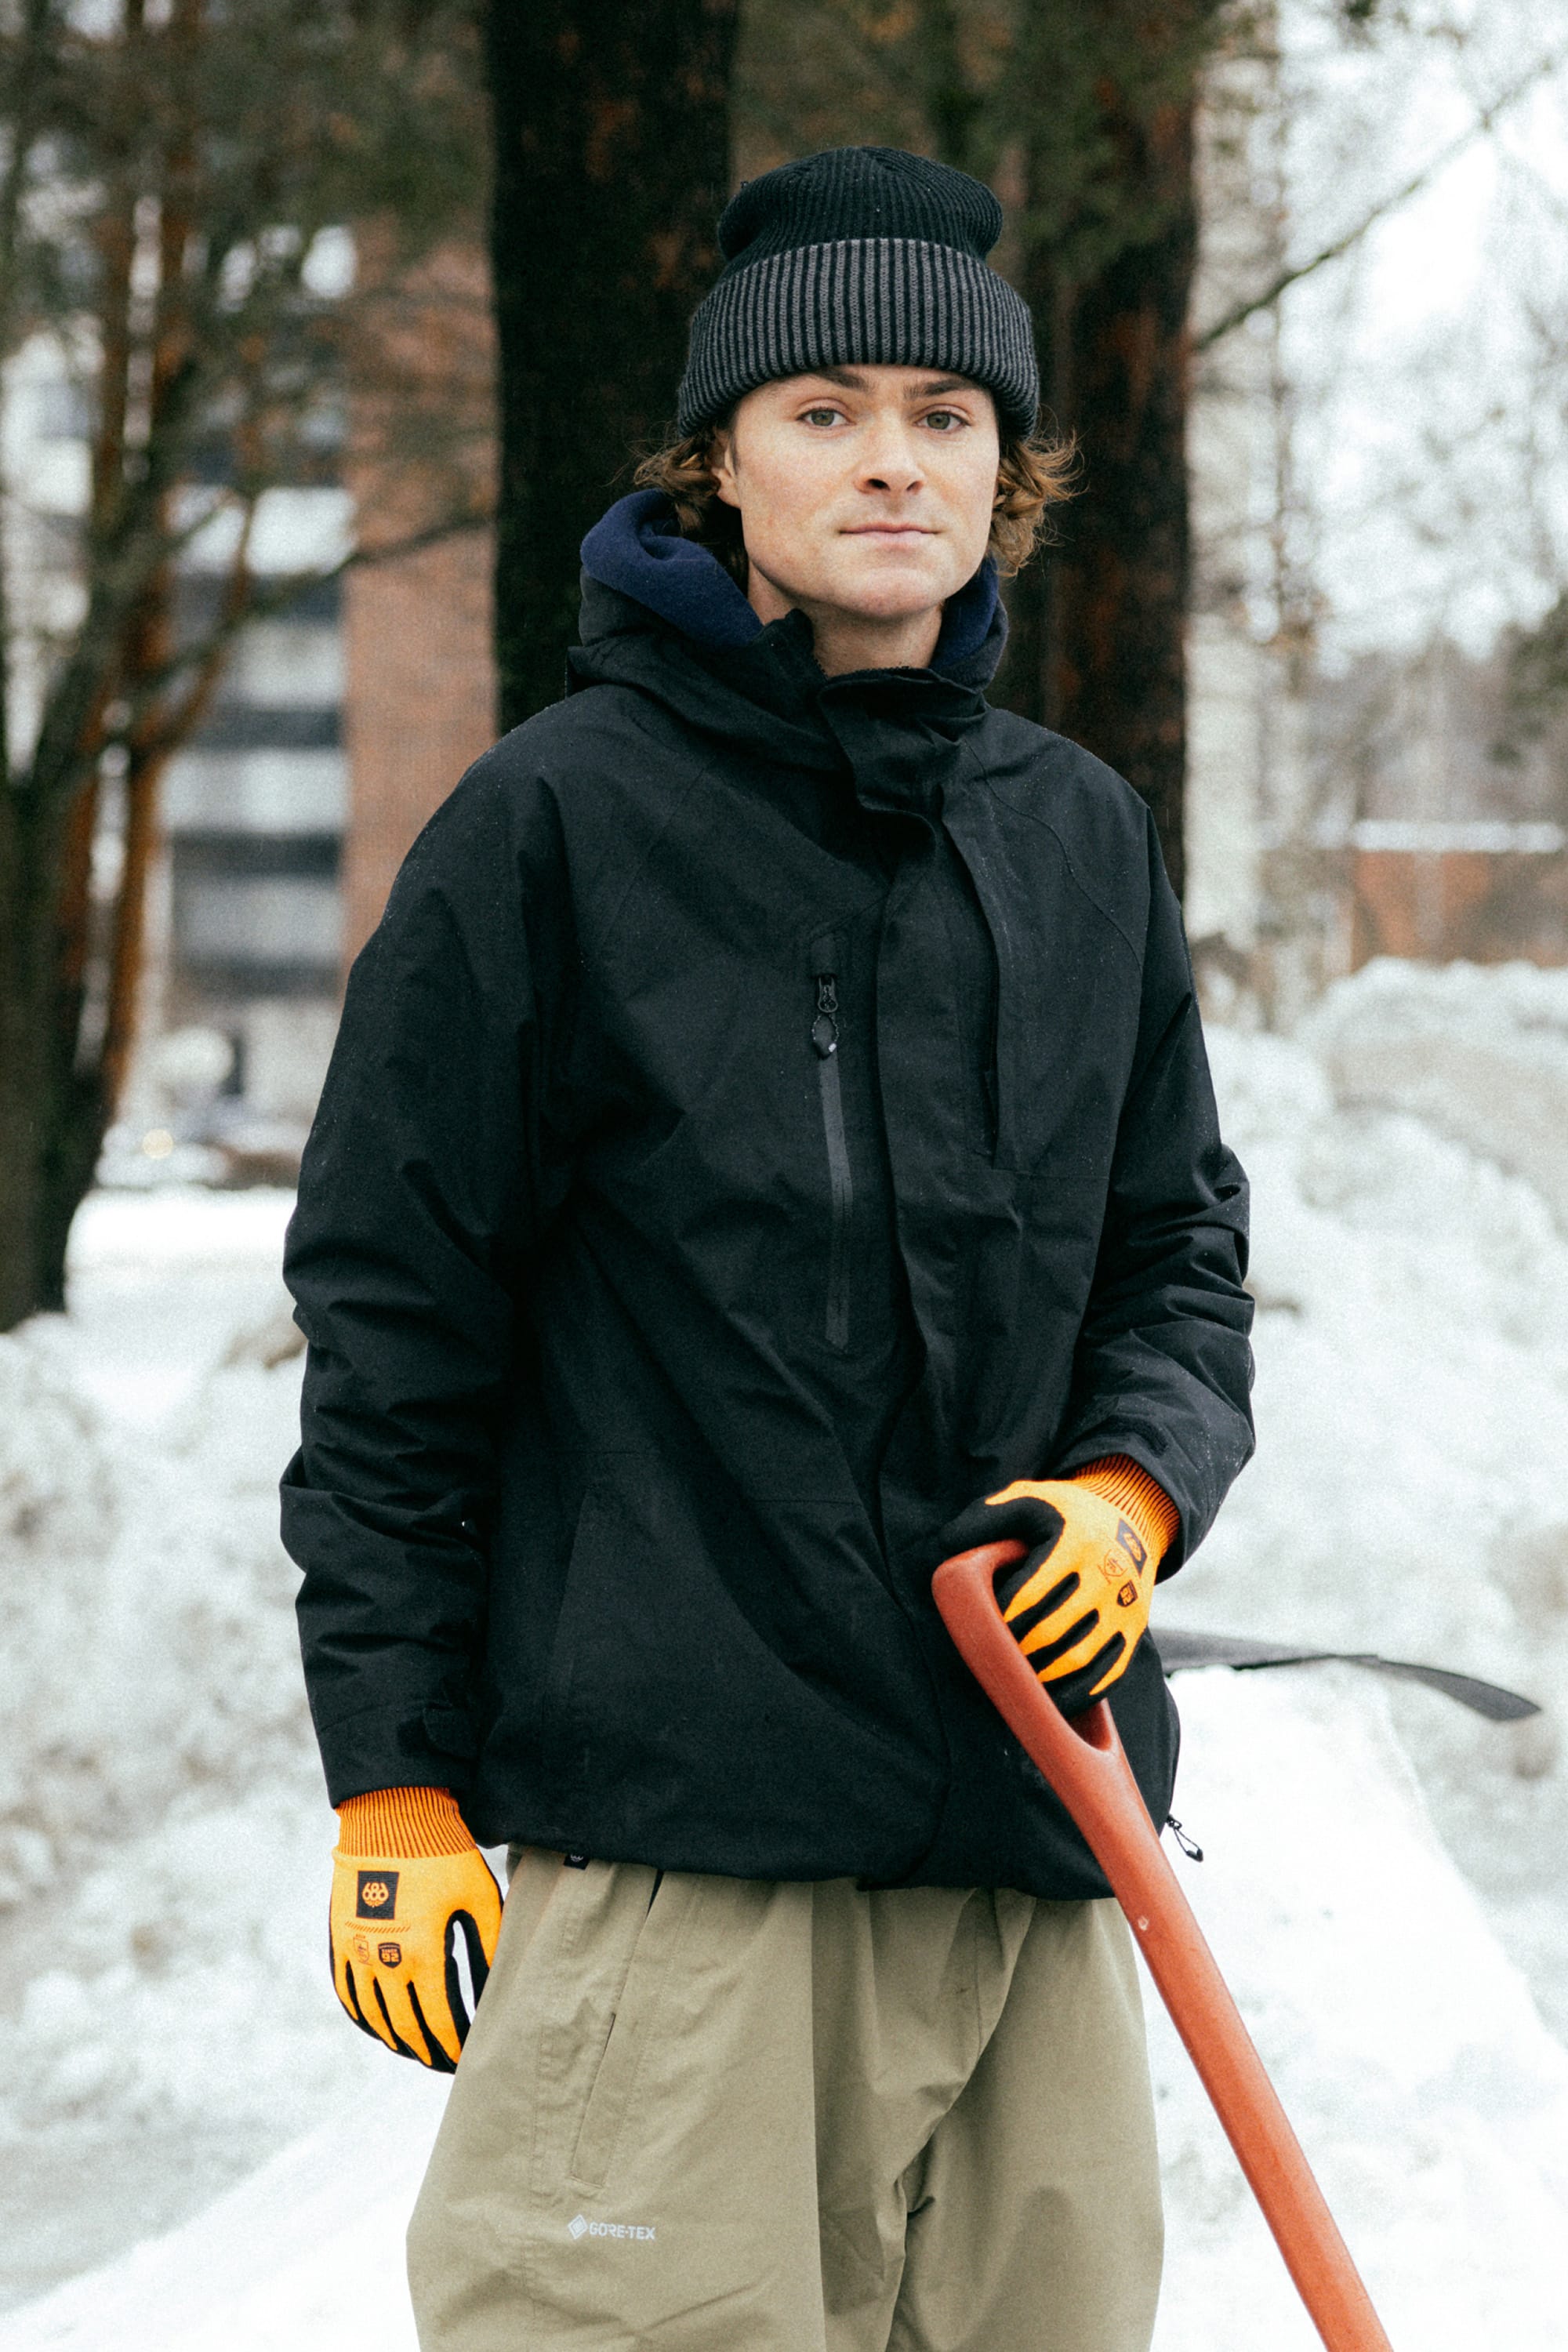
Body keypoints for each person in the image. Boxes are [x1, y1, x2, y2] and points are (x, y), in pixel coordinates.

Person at [281, 143, 1254, 2352]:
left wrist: (1136, 1485)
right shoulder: (558, 826)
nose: (888, 458)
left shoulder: (1077, 836)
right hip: (689, 1863)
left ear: (1011, 467)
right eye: (823, 411)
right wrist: (395, 1777)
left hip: (1030, 1839)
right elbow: (397, 1329)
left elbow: (1174, 1249)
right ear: (720, 463)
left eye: (942, 412)